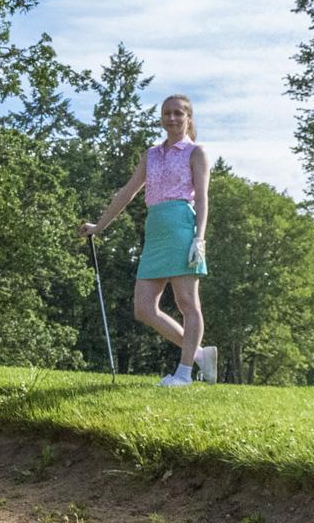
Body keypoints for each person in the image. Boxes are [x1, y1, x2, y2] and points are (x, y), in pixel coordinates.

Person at [79, 94, 217, 387]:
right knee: (143, 308)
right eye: (167, 113)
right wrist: (98, 226)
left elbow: (203, 198)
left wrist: (199, 238)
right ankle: (200, 354)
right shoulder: (151, 154)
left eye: (178, 113)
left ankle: (183, 374)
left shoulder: (196, 152)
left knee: (187, 303)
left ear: (188, 118)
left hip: (182, 225)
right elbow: (127, 192)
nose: (172, 118)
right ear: (161, 118)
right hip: (155, 228)